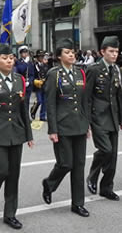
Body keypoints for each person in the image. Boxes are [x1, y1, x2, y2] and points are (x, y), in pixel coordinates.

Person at [0, 44, 34, 230]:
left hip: (16, 132)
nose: (9, 61)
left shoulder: (19, 79)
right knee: (1, 170)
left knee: (13, 175)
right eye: (4, 58)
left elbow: (23, 109)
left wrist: (29, 134)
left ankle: (10, 214)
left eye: (11, 57)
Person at [42, 38, 90, 217]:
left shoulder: (80, 73)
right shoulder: (54, 74)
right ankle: (49, 183)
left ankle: (78, 203)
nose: (71, 55)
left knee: (79, 165)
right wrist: (52, 129)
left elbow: (84, 101)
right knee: (66, 163)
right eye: (67, 53)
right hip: (62, 126)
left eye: (73, 52)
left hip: (79, 125)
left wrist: (87, 124)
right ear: (59, 56)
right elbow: (51, 103)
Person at [86, 35, 122, 201]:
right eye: (111, 51)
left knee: (113, 156)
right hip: (98, 117)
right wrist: (86, 121)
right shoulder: (94, 69)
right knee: (105, 150)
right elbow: (86, 97)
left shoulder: (116, 69)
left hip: (113, 117)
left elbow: (118, 96)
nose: (115, 54)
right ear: (102, 52)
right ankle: (93, 175)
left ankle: (106, 187)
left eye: (116, 51)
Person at [15, 45, 34, 113]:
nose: (25, 54)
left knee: (27, 102)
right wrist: (25, 63)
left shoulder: (30, 63)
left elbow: (32, 74)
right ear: (20, 54)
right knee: (22, 102)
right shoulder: (18, 62)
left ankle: (26, 117)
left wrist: (30, 81)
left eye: (26, 52)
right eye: (23, 53)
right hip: (21, 85)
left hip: (28, 86)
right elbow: (20, 70)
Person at [31, 50, 49, 121]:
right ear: (37, 57)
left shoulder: (45, 65)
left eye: (42, 56)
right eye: (40, 56)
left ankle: (42, 116)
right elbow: (32, 75)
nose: (41, 58)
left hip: (44, 85)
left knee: (45, 101)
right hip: (37, 85)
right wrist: (34, 81)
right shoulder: (34, 65)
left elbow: (47, 74)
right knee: (39, 101)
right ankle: (33, 110)